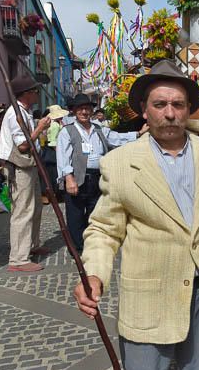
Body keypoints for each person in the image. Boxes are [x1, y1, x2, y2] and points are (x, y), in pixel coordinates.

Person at [73, 60, 199, 370]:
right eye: (160, 104)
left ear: (189, 110)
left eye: (178, 104)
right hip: (148, 298)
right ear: (144, 109)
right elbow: (104, 230)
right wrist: (93, 273)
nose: (169, 113)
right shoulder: (120, 163)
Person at [56, 94, 145, 252]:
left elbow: (116, 138)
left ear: (91, 110)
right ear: (75, 111)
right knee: (75, 214)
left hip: (97, 177)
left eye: (87, 108)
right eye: (81, 109)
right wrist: (68, 179)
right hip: (77, 177)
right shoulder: (67, 131)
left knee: (95, 213)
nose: (84, 111)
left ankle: (91, 243)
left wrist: (138, 134)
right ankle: (76, 248)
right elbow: (63, 157)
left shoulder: (99, 129)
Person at [0, 75, 52, 272]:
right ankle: (18, 259)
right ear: (27, 94)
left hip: (29, 166)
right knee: (23, 212)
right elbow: (22, 146)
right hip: (19, 167)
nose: (37, 94)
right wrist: (40, 128)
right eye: (35, 91)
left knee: (35, 207)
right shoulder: (15, 114)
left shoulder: (24, 111)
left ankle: (32, 245)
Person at [42, 105, 69, 203]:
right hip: (52, 151)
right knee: (52, 174)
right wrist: (59, 152)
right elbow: (53, 141)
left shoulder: (58, 123)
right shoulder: (55, 125)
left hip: (54, 150)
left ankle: (55, 195)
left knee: (54, 173)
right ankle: (52, 195)